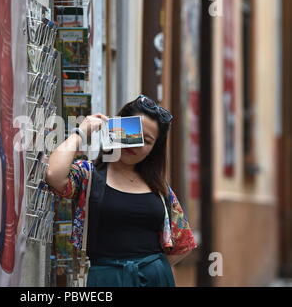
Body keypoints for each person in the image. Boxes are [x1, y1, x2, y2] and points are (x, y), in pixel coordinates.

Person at [45, 95, 197, 287]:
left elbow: (183, 244)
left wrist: (154, 270)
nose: (136, 143)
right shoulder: (89, 176)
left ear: (154, 149)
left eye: (147, 141)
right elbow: (53, 175)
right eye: (133, 132)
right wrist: (80, 133)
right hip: (104, 280)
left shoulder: (159, 188)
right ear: (116, 126)